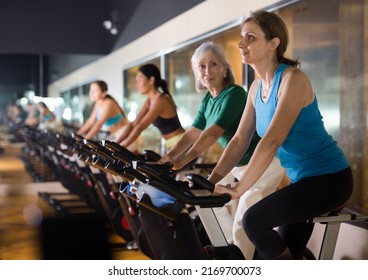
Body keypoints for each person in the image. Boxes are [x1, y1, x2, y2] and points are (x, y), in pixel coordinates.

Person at [209, 11, 353, 260]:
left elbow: (272, 140)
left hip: (330, 180)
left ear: (273, 43)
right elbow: (239, 140)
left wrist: (240, 188)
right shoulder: (255, 88)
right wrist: (211, 182)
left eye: (251, 37)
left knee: (253, 220)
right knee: (284, 251)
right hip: (302, 182)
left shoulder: (292, 79)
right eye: (242, 37)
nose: (242, 44)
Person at [159, 41, 285, 260]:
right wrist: (169, 157)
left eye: (213, 64)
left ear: (225, 68)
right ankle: (231, 250)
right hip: (237, 166)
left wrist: (184, 160)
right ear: (197, 73)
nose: (207, 71)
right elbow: (192, 133)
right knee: (205, 200)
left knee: (244, 223)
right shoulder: (209, 99)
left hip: (261, 166)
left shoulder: (234, 94)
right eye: (202, 66)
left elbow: (211, 134)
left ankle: (239, 262)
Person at [115, 64, 185, 152]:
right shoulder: (150, 100)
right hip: (172, 144)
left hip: (182, 144)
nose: (137, 84)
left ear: (151, 80)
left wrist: (121, 148)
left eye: (140, 80)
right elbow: (134, 124)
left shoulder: (160, 100)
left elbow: (140, 127)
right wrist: (115, 144)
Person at [76, 80, 141, 153]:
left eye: (95, 90)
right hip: (115, 137)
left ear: (103, 93)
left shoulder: (109, 103)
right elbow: (90, 121)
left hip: (126, 136)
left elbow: (99, 124)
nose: (91, 93)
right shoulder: (97, 104)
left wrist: (85, 139)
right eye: (91, 90)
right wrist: (77, 135)